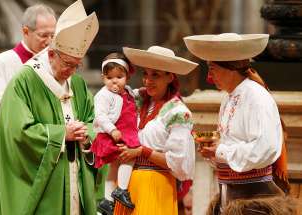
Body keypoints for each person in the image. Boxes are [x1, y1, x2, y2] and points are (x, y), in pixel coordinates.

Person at [0, 1, 106, 214]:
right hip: (44, 184)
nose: (72, 71)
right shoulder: (24, 81)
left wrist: (87, 135)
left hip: (74, 176)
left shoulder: (77, 83)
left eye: (76, 65)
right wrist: (61, 134)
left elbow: (94, 121)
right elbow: (17, 131)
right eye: (67, 64)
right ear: (52, 55)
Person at [184, 33, 297, 214]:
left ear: (230, 67)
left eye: (212, 68)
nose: (209, 76)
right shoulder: (229, 98)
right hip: (230, 196)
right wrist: (213, 153)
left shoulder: (256, 97)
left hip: (254, 202)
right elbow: (231, 144)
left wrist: (220, 151)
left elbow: (264, 148)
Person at [0, 4, 56, 212]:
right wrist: (31, 132)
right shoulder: (2, 64)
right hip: (14, 153)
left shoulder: (55, 67)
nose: (50, 42)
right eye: (43, 35)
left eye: (53, 35)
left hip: (46, 153)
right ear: (25, 31)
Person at [113, 46, 198, 215]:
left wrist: (141, 151)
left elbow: (178, 163)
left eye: (155, 75)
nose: (147, 80)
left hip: (157, 184)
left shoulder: (178, 112)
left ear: (170, 77)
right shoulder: (137, 100)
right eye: (145, 74)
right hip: (128, 184)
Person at [91, 52, 140, 214]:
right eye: (110, 77)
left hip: (126, 131)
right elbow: (100, 116)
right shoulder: (104, 95)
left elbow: (134, 95)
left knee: (113, 168)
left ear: (127, 77)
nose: (115, 81)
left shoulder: (127, 91)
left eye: (119, 77)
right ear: (103, 78)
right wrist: (112, 129)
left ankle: (107, 201)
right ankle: (122, 189)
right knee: (129, 157)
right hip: (114, 134)